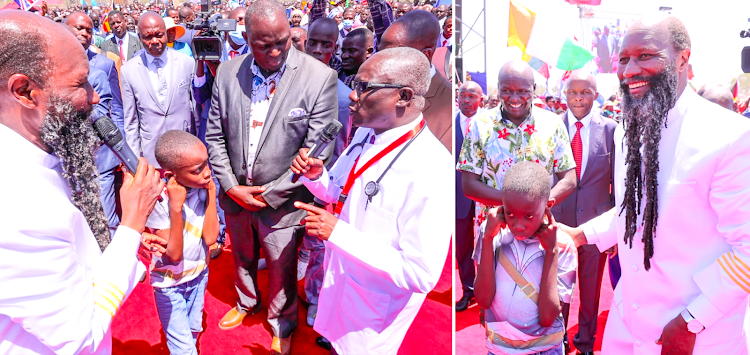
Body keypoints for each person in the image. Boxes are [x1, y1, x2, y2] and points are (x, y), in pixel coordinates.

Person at [560, 15, 750, 354]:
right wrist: (578, 235)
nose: (629, 69)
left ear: (682, 58)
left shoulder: (729, 136)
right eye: (623, 59)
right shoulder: (626, 130)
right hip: (625, 330)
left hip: (696, 337)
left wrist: (693, 319)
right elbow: (635, 211)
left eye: (645, 55)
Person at [0, 12, 163, 354]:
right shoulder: (18, 207)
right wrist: (132, 224)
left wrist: (125, 243)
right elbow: (81, 335)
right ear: (25, 91)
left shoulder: (37, 145)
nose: (95, 97)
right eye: (80, 83)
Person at [290, 46, 452, 355]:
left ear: (403, 96)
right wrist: (316, 176)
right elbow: (340, 194)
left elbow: (420, 273)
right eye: (354, 84)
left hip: (373, 312)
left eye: (364, 88)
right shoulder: (368, 132)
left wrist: (338, 233)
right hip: (341, 283)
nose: (353, 95)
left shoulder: (431, 167)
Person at [205, 1, 337, 353]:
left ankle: (283, 322)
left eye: (283, 41)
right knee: (242, 256)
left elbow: (317, 149)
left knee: (282, 269)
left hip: (284, 201)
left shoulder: (318, 77)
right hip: (236, 195)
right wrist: (232, 187)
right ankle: (246, 301)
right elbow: (215, 136)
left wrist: (269, 193)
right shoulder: (228, 73)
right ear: (246, 38)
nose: (277, 51)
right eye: (265, 45)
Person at [457, 60, 577, 256]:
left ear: (534, 89)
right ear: (498, 89)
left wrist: (537, 208)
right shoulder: (480, 125)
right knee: (490, 287)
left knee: (539, 287)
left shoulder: (552, 124)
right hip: (493, 232)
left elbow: (569, 180)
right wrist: (513, 205)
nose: (514, 98)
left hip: (538, 232)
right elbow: (469, 185)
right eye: (507, 90)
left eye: (522, 91)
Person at [474, 161, 577, 355]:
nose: (518, 225)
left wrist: (551, 252)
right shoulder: (492, 235)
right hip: (499, 349)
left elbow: (547, 317)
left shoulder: (562, 245)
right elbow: (483, 300)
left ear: (548, 206)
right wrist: (487, 239)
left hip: (545, 350)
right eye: (510, 214)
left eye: (528, 216)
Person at [554, 72, 617, 355]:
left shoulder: (612, 130)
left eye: (585, 91)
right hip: (559, 222)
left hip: (596, 223)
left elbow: (619, 181)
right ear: (565, 95)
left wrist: (614, 230)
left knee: (590, 290)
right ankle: (558, 338)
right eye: (573, 91)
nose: (578, 97)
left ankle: (585, 341)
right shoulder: (552, 128)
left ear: (595, 94)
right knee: (558, 286)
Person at [146, 130, 219, 355]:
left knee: (194, 330)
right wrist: (176, 208)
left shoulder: (202, 191)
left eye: (206, 164)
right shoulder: (159, 200)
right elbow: (174, 254)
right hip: (170, 286)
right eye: (197, 170)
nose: (207, 173)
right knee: (183, 349)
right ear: (172, 174)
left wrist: (212, 197)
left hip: (198, 276)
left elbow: (210, 238)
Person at [301, 16, 353, 327]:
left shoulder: (344, 97)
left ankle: (315, 297)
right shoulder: (283, 84)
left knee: (316, 247)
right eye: (313, 43)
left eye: (326, 45)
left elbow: (341, 148)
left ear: (335, 49)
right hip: (284, 182)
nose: (318, 49)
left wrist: (323, 187)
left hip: (319, 185)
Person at [65, 11, 125, 238]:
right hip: (66, 164)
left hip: (100, 157)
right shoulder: (47, 66)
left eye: (89, 30)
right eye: (79, 28)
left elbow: (115, 109)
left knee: (106, 220)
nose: (84, 33)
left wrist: (118, 146)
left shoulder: (103, 67)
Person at [121, 12, 203, 168]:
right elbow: (130, 122)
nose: (154, 41)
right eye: (147, 37)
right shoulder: (129, 70)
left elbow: (196, 109)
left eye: (159, 35)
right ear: (139, 37)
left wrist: (200, 145)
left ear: (167, 33)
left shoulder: (187, 62)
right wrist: (133, 163)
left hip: (185, 150)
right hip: (152, 156)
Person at [380, 10, 452, 152]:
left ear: (425, 55)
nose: (382, 63)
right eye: (380, 53)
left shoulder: (448, 107)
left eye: (393, 55)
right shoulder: (376, 87)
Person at [455, 80, 483, 312]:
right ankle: (468, 290)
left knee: (488, 242)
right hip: (458, 196)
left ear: (480, 99)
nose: (466, 100)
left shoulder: (492, 122)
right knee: (462, 246)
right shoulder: (450, 122)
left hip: (486, 194)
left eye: (471, 96)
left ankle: (488, 289)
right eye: (462, 95)